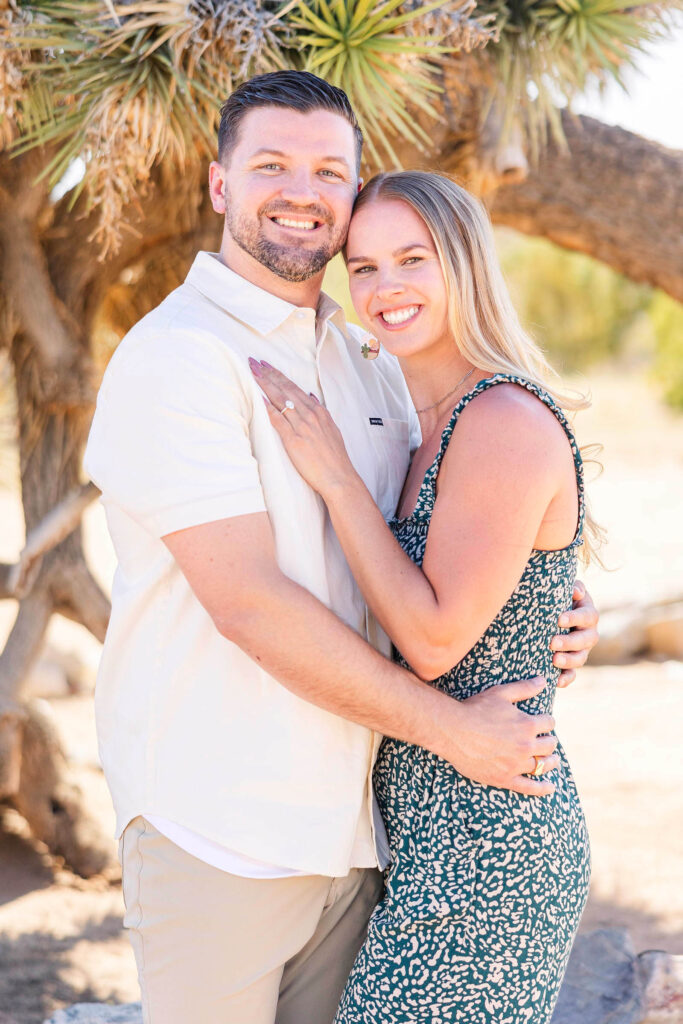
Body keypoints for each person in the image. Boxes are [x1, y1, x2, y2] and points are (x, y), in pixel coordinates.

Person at [84, 71, 598, 1024]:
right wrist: (450, 728)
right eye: (271, 162)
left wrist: (547, 606)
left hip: (366, 833)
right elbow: (248, 602)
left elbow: (450, 556)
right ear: (219, 185)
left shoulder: (366, 361)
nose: (301, 189)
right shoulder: (179, 357)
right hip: (222, 831)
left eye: (329, 170)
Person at [250, 170, 594, 1024]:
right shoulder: (418, 419)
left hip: (488, 848)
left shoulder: (500, 418)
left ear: (465, 263)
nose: (384, 288)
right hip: (426, 835)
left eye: (412, 258)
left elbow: (436, 639)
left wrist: (335, 479)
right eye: (361, 267)